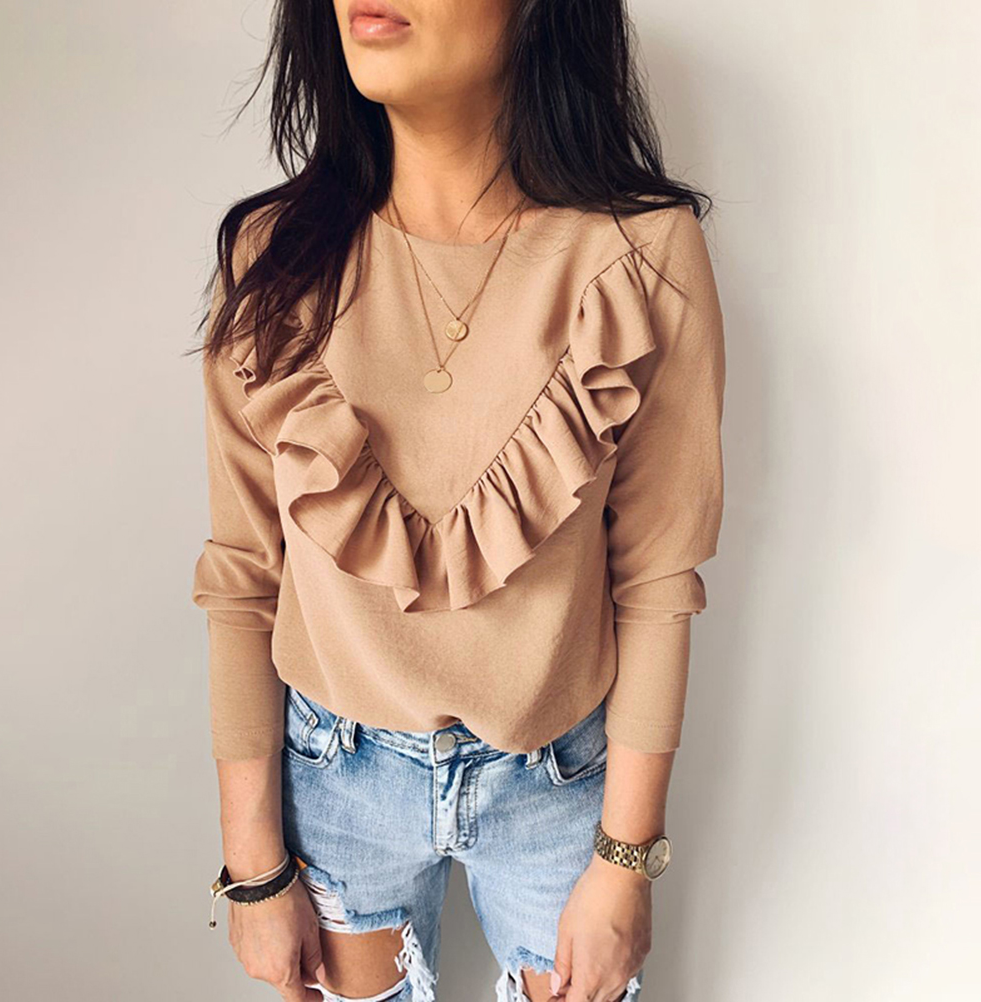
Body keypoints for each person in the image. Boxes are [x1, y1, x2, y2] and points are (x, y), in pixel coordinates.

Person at [189, 2, 725, 1001]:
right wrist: (254, 869)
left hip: (560, 788)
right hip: (335, 780)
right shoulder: (271, 261)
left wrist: (626, 860)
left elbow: (657, 576)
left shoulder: (642, 256)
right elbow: (243, 580)